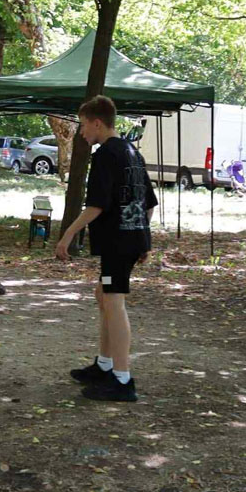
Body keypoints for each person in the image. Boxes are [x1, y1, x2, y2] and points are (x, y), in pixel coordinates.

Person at [55, 95, 157, 403]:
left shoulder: (105, 155)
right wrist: (143, 237)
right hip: (129, 240)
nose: (81, 132)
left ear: (97, 123)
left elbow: (96, 206)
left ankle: (122, 380)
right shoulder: (131, 151)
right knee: (104, 295)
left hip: (118, 243)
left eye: (83, 125)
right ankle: (104, 365)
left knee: (113, 301)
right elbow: (149, 203)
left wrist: (68, 234)